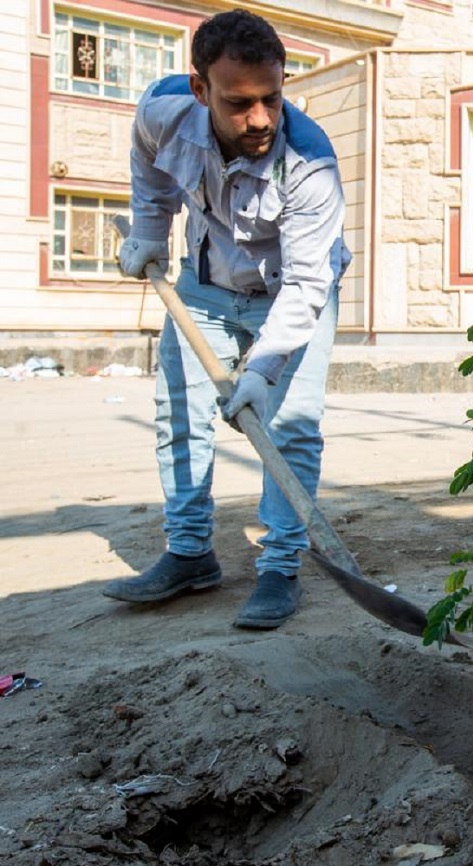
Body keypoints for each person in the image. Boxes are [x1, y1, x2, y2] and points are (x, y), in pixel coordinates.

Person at [102, 9, 349, 629]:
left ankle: (280, 566)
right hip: (204, 286)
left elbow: (305, 285)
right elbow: (148, 170)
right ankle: (190, 554)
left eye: (272, 97)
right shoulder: (162, 112)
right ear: (199, 89)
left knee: (287, 427)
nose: (261, 118)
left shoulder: (310, 164)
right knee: (181, 416)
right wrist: (151, 235)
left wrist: (262, 372)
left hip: (290, 296)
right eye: (239, 103)